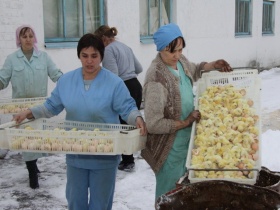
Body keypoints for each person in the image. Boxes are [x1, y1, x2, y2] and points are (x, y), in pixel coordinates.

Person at [13, 33, 147, 210]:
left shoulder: (113, 83)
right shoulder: (67, 81)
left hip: (104, 155)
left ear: (101, 56)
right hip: (76, 154)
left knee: (100, 204)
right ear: (79, 56)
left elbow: (127, 107)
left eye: (94, 56)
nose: (89, 61)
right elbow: (51, 106)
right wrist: (29, 112)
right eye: (84, 56)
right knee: (76, 203)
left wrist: (137, 118)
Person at [140, 23, 232, 201]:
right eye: (171, 52)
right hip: (169, 148)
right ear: (160, 49)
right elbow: (153, 123)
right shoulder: (156, 78)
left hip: (187, 143)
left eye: (180, 50)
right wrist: (186, 122)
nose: (176, 55)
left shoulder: (180, 62)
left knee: (186, 195)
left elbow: (194, 69)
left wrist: (213, 64)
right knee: (169, 196)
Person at [0, 24, 63, 189]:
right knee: (26, 141)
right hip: (20, 108)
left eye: (30, 36)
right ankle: (32, 173)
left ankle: (33, 165)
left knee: (36, 140)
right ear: (18, 39)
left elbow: (56, 74)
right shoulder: (12, 59)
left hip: (39, 107)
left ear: (34, 38)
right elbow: (3, 80)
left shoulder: (44, 57)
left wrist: (69, 83)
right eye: (24, 36)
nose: (28, 40)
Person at [94, 25, 143, 171]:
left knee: (121, 124)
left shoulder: (108, 50)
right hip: (135, 85)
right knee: (128, 123)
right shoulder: (125, 47)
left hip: (123, 87)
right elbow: (139, 68)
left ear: (102, 39)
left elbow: (113, 76)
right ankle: (128, 157)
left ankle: (127, 160)